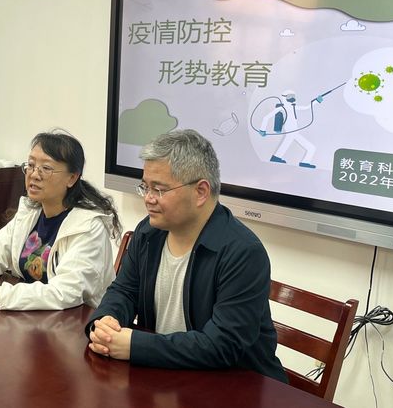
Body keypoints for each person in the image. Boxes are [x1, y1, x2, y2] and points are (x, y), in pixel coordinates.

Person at [86, 129, 287, 383]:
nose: (148, 199)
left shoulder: (243, 252)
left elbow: (222, 345)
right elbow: (124, 291)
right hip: (167, 375)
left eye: (159, 189)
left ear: (201, 192)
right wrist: (106, 321)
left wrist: (135, 346)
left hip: (234, 386)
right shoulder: (148, 233)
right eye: (145, 187)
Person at [0, 130, 121, 310]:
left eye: (46, 168)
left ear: (72, 178)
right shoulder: (29, 212)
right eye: (30, 165)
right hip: (31, 317)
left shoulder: (88, 227)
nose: (34, 174)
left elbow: (65, 293)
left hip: (77, 321)